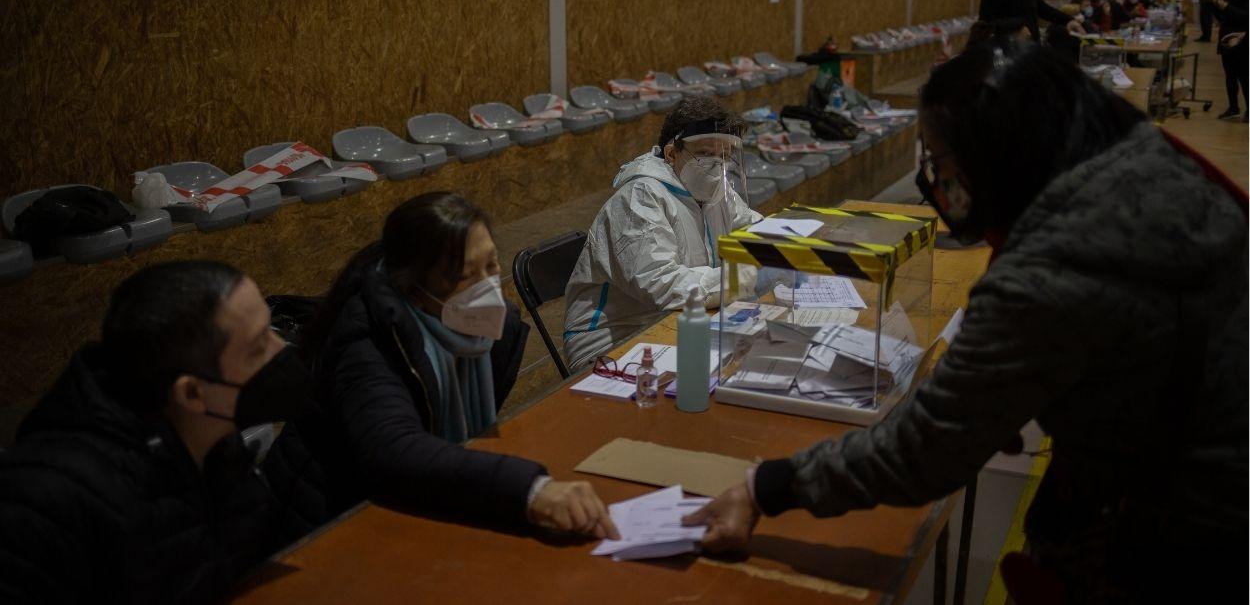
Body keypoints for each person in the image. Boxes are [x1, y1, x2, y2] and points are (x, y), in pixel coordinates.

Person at [684, 41, 1248, 603]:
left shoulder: (1050, 268)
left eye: (940, 161)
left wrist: (766, 487)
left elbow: (928, 449)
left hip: (1186, 531)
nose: (936, 182)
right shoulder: (1146, 162)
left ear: (996, 154)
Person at [0, 261, 329, 603]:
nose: (284, 350)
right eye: (259, 347)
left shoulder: (216, 442)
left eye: (272, 329)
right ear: (191, 393)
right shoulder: (47, 499)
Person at [301, 192, 619, 538]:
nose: (487, 288)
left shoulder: (492, 329)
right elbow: (395, 449)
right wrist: (531, 490)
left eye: (492, 266)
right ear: (414, 289)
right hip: (337, 521)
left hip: (428, 498)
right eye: (465, 275)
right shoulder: (365, 341)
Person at [563, 96, 759, 369]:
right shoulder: (640, 197)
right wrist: (742, 278)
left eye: (724, 155)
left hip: (678, 320)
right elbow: (662, 283)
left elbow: (754, 229)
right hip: (614, 340)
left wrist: (783, 245)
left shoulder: (715, 193)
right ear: (671, 153)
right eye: (704, 153)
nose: (717, 164)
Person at [1213, 0, 1248, 122]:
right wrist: (1216, 4)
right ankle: (1233, 107)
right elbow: (1222, 17)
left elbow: (1244, 16)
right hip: (1226, 38)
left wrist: (1226, 6)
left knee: (1244, 76)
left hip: (1241, 39)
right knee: (1230, 76)